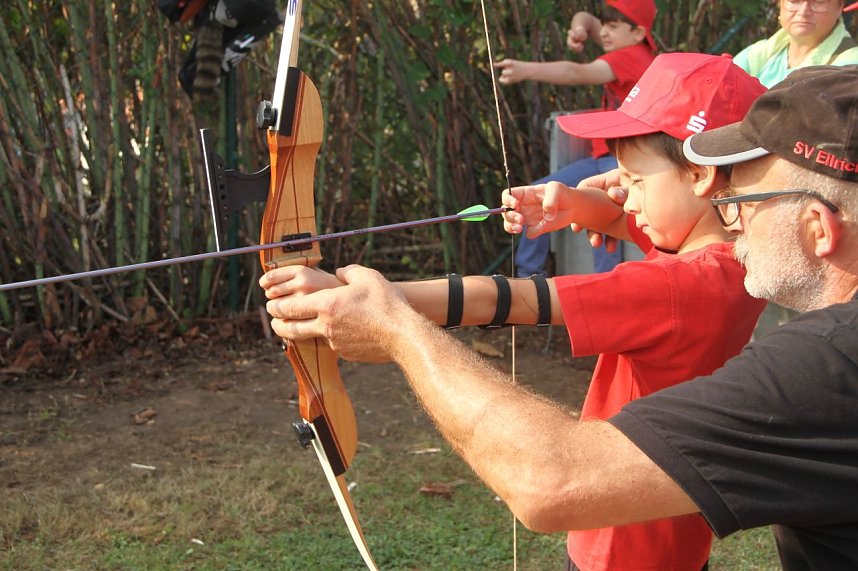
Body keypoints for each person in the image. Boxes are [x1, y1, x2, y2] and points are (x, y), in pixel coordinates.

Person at [263, 65, 858, 570]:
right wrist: (587, 205)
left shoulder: (681, 286)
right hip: (667, 530)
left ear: (703, 175)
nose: (624, 195)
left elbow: (511, 299)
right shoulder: (730, 263)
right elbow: (658, 224)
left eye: (632, 180)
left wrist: (379, 304)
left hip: (619, 540)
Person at [493, 0, 657, 277]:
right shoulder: (623, 43)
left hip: (621, 162)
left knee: (602, 212)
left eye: (612, 27)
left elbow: (575, 73)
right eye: (603, 25)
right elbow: (586, 18)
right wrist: (580, 28)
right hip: (600, 159)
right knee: (536, 194)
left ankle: (607, 284)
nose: (603, 32)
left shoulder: (632, 55)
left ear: (638, 33)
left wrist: (526, 70)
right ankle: (527, 278)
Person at [733, 0, 858, 87]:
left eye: (818, 2)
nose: (803, 12)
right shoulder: (756, 55)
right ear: (780, 5)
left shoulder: (850, 66)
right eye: (794, 1)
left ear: (839, 7)